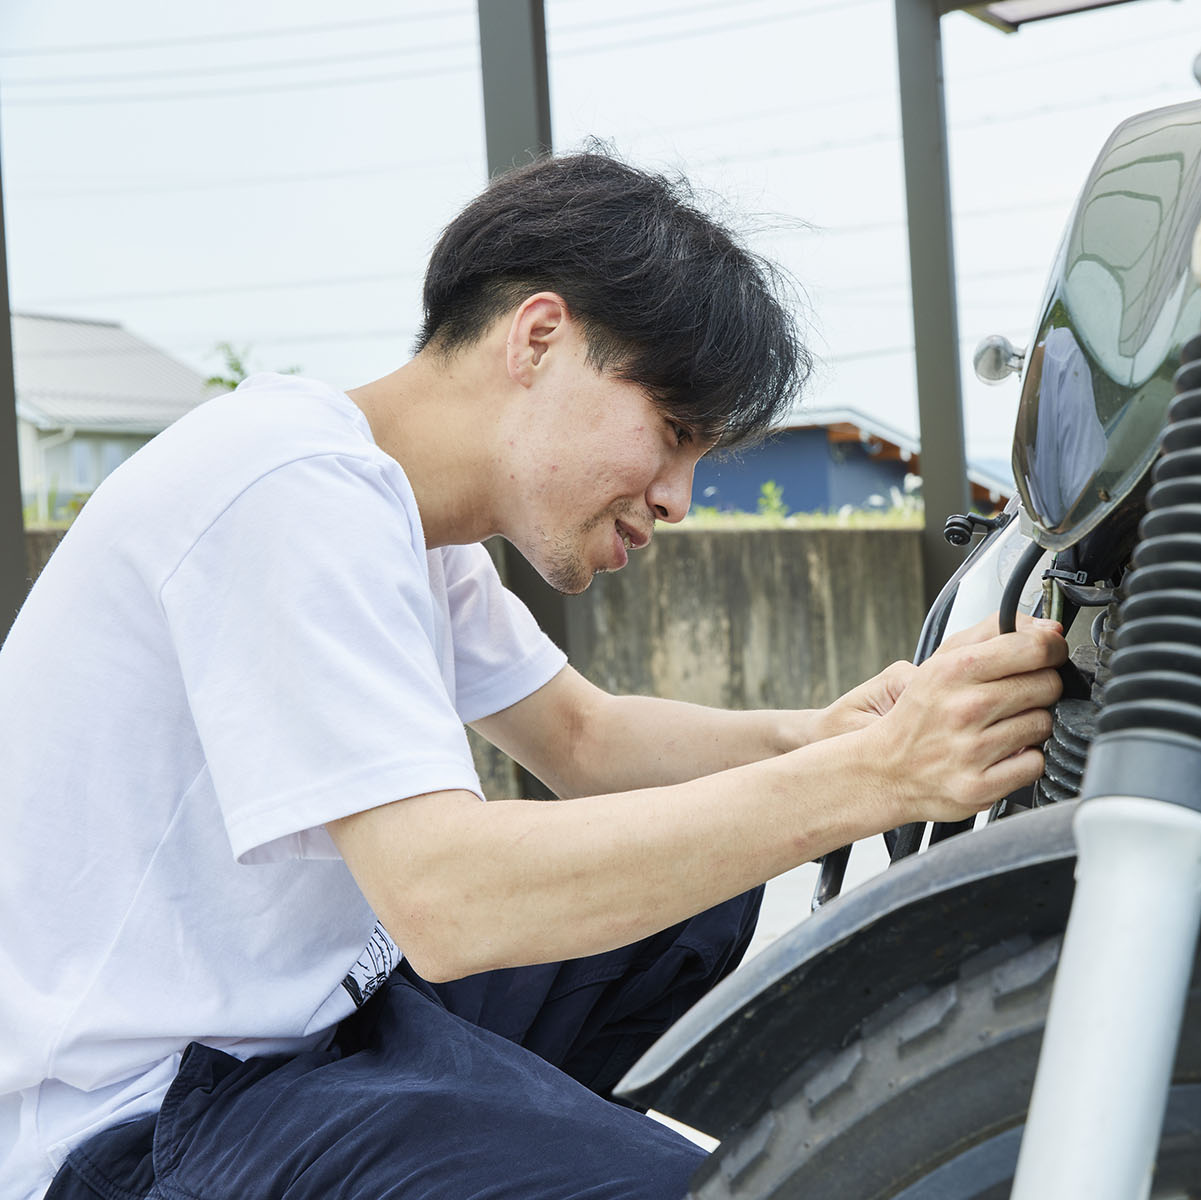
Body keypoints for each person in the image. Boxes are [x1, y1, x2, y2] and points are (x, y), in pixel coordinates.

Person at [0, 150, 1066, 1200]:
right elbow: (446, 898)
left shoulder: (400, 514)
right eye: (674, 433)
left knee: (692, 891)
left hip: (306, 1025)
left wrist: (822, 739)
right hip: (137, 1129)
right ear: (542, 338)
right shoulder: (288, 490)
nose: (680, 497)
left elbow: (583, 742)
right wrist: (875, 778)